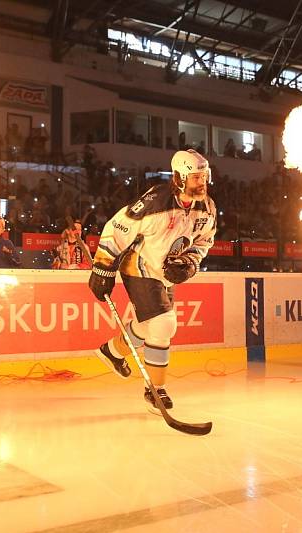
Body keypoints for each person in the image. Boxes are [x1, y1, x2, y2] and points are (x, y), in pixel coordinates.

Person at [88, 149, 216, 413]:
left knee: (150, 328)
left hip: (163, 274)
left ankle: (112, 351)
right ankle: (155, 390)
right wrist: (102, 268)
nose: (202, 182)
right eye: (196, 177)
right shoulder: (156, 201)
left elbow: (204, 241)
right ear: (180, 178)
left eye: (204, 176)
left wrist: (189, 263)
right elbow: (116, 228)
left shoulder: (208, 208)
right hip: (139, 265)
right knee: (164, 323)